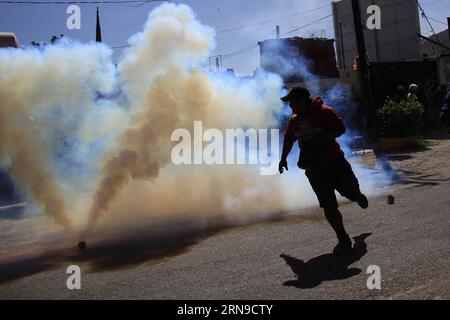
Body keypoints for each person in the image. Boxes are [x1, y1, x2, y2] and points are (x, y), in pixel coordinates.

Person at [278, 87, 369, 255]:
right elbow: (289, 139)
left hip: (335, 163)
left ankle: (357, 196)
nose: (290, 105)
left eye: (292, 101)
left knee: (351, 193)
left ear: (302, 100)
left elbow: (340, 128)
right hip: (314, 170)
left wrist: (322, 137)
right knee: (329, 206)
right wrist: (283, 159)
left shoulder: (325, 112)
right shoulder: (294, 121)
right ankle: (343, 238)